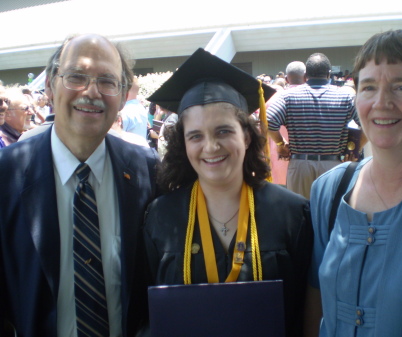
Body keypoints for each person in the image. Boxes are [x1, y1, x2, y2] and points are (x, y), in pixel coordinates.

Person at [144, 48, 313, 336]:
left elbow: (306, 310)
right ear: (183, 144)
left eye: (223, 131)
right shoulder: (161, 216)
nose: (210, 147)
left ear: (246, 136)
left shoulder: (292, 213)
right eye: (195, 135)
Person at [0, 33, 159, 336]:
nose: (91, 92)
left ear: (124, 94)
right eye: (76, 76)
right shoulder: (6, 176)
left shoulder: (147, 172)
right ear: (49, 85)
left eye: (108, 81)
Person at [306, 29, 402, 337]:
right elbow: (316, 300)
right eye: (369, 87)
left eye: (400, 87)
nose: (381, 102)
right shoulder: (329, 190)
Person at [267, 53, 360, 199]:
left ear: (305, 76)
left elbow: (268, 121)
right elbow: (367, 123)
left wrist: (280, 143)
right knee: (331, 215)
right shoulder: (346, 96)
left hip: (300, 165)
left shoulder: (288, 96)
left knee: (301, 215)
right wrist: (355, 149)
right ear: (329, 75)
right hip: (333, 165)